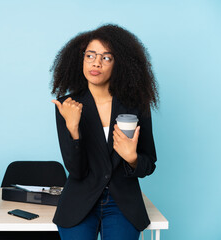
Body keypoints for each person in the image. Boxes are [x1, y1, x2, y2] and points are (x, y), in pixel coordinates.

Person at [50, 24, 159, 240]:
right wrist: (72, 127)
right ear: (81, 59)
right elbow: (76, 170)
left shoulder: (136, 105)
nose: (96, 63)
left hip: (123, 204)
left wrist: (133, 159)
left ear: (120, 64)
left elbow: (149, 164)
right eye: (90, 55)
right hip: (79, 203)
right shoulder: (67, 105)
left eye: (106, 57)